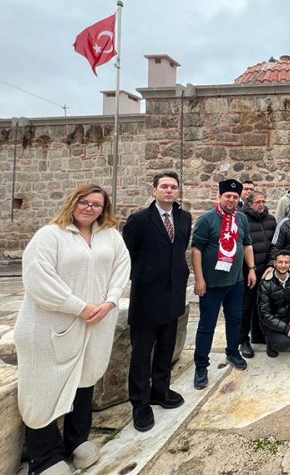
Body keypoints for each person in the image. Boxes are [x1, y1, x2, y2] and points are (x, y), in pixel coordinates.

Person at [14, 184, 130, 474]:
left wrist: (110, 301)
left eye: (96, 204)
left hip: (95, 323)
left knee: (85, 379)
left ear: (104, 209)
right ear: (73, 202)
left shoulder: (110, 236)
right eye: (84, 202)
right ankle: (45, 457)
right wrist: (78, 306)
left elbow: (121, 268)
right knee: (42, 388)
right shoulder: (50, 236)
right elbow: (39, 279)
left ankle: (76, 440)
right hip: (51, 326)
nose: (89, 208)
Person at [123, 171, 191, 432]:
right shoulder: (140, 220)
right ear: (154, 191)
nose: (169, 190)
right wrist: (143, 277)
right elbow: (126, 255)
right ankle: (140, 403)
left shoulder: (184, 218)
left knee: (166, 346)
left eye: (173, 187)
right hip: (147, 296)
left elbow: (179, 249)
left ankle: (160, 390)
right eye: (164, 186)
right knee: (142, 353)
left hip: (173, 292)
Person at [191, 179, 257, 390]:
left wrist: (252, 268)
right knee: (207, 325)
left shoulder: (241, 218)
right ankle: (201, 365)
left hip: (235, 281)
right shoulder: (207, 219)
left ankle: (233, 352)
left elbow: (247, 244)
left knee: (235, 319)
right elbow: (196, 249)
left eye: (235, 197)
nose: (231, 200)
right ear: (219, 197)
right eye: (228, 196)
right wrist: (199, 279)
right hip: (211, 284)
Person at [239, 191, 277, 358]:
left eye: (263, 201)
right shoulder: (242, 219)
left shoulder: (271, 220)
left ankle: (258, 334)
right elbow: (241, 245)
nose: (261, 205)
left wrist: (271, 264)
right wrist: (250, 268)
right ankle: (243, 340)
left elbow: (275, 245)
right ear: (250, 204)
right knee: (246, 306)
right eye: (258, 202)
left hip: (266, 270)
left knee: (262, 304)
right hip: (248, 271)